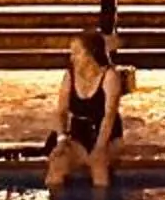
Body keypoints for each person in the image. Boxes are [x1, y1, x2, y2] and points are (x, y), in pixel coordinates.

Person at [45, 29, 125, 191]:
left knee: (99, 167)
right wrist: (61, 140)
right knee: (57, 165)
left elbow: (109, 116)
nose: (71, 57)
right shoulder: (70, 75)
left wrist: (100, 147)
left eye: (76, 53)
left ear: (90, 55)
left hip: (106, 134)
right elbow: (61, 111)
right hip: (79, 132)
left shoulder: (109, 76)